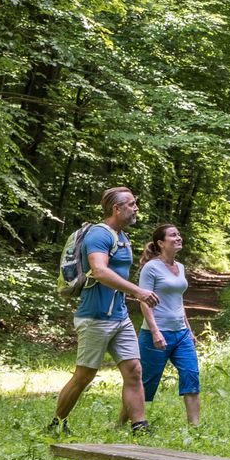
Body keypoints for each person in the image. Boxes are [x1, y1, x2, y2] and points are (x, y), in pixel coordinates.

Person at [47, 187, 160, 436]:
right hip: (95, 315)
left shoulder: (122, 237)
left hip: (119, 316)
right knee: (85, 375)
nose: (136, 208)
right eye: (131, 204)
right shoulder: (99, 235)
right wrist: (137, 292)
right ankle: (56, 423)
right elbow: (99, 270)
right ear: (116, 209)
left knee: (134, 370)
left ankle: (139, 427)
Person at [134, 223, 202, 425]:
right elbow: (144, 301)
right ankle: (125, 420)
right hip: (155, 334)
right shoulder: (151, 267)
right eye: (173, 235)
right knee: (144, 381)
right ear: (161, 243)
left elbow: (178, 301)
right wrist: (155, 332)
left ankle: (195, 427)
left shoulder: (180, 267)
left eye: (179, 234)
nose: (179, 237)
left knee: (191, 375)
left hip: (181, 333)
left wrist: (189, 330)